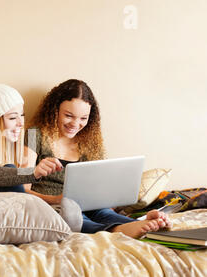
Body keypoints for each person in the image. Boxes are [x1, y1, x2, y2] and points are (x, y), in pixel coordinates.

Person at [22, 79, 172, 238]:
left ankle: (137, 223)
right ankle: (116, 230)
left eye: (83, 118)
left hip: (90, 205)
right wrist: (55, 199)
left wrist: (108, 197)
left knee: (104, 212)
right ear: (54, 110)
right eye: (68, 115)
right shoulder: (34, 134)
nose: (75, 124)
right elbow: (22, 189)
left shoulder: (90, 142)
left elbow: (102, 185)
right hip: (53, 206)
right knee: (75, 218)